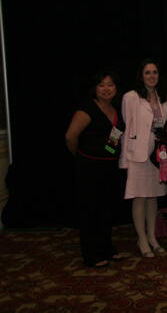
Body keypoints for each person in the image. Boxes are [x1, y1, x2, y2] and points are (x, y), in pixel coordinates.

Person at [65, 71, 125, 268]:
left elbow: (113, 140)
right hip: (89, 169)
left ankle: (106, 248)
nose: (106, 89)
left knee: (106, 210)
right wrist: (82, 157)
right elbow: (70, 137)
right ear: (95, 88)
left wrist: (108, 154)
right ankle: (91, 254)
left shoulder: (116, 109)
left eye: (110, 85)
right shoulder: (86, 109)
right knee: (90, 211)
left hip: (109, 168)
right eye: (101, 85)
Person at [120, 59, 167, 258]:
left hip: (158, 155)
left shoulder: (164, 98)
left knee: (153, 197)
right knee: (139, 197)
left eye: (155, 72)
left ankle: (152, 237)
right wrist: (124, 160)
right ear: (141, 76)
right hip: (138, 155)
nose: (152, 76)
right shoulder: (130, 97)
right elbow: (127, 128)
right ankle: (141, 239)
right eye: (147, 72)